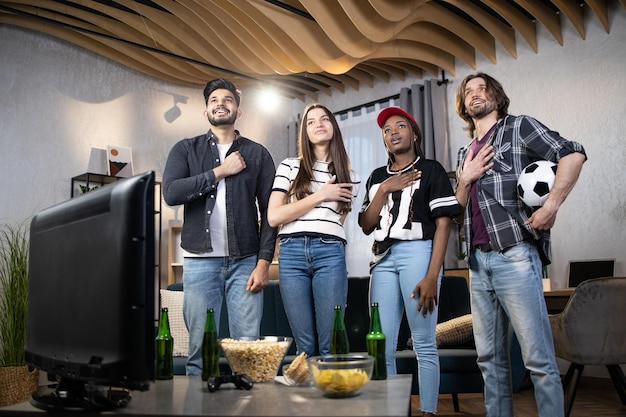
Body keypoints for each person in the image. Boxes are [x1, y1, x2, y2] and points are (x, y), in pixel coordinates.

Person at [454, 72, 586, 417]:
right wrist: (465, 178)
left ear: (496, 96)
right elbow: (458, 211)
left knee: (538, 359)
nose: (476, 94)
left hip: (515, 255)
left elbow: (573, 153)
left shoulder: (519, 127)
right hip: (478, 265)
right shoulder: (464, 152)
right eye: (469, 91)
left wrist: (551, 204)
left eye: (483, 88)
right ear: (463, 104)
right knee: (489, 360)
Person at [162, 78, 277, 376]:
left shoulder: (258, 154)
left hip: (246, 262)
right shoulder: (186, 149)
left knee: (248, 349)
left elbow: (271, 214)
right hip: (200, 262)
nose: (220, 103)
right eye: (214, 100)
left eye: (227, 99)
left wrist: (264, 263)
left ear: (238, 111)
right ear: (206, 112)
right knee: (200, 350)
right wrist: (220, 171)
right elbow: (172, 193)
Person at [359, 107, 461, 417]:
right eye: (387, 130)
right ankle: (392, 411)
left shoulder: (431, 169)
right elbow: (366, 224)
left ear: (414, 133)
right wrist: (386, 189)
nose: (393, 132)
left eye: (400, 126)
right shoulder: (377, 177)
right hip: (383, 259)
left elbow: (443, 224)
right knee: (383, 346)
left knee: (423, 342)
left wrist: (432, 275)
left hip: (419, 253)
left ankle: (428, 411)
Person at [267, 103, 359, 357]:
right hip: (291, 252)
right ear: (305, 133)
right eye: (311, 121)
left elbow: (334, 222)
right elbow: (274, 216)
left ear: (334, 127)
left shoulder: (350, 176)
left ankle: (331, 395)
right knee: (305, 346)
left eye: (324, 119)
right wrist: (321, 195)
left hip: (330, 253)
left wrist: (316, 201)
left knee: (331, 344)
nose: (318, 124)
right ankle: (309, 398)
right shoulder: (289, 166)